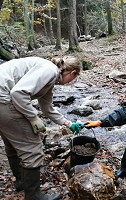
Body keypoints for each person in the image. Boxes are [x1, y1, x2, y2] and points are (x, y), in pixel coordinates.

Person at [0, 56, 85, 200]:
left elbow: (47, 108)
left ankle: (21, 181)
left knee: (12, 143)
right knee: (32, 149)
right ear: (73, 73)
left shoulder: (49, 75)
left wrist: (68, 124)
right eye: (74, 79)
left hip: (2, 96)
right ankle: (33, 195)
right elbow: (18, 93)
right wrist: (33, 117)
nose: (71, 82)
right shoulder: (50, 71)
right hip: (3, 98)